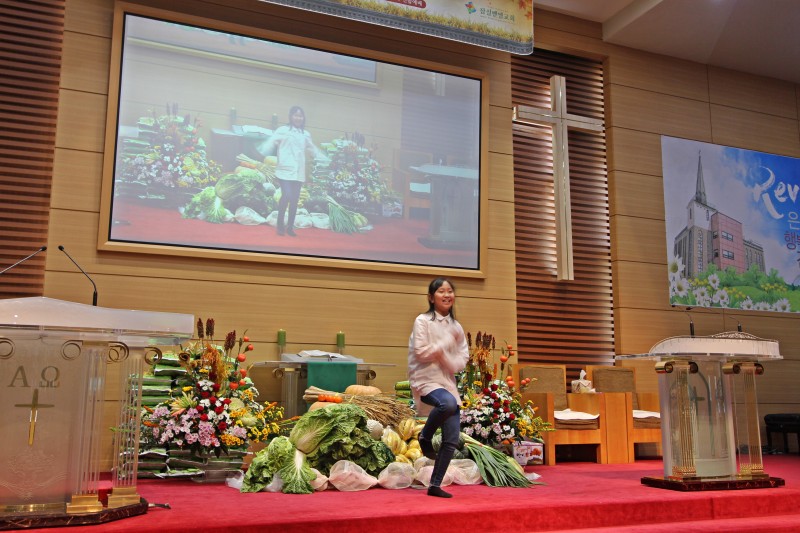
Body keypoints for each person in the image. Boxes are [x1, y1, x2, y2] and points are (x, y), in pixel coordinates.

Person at [407, 277, 469, 498]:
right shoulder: (422, 321)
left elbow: (462, 360)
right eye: (441, 291)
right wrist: (444, 349)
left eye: (450, 291)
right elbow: (421, 353)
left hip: (447, 383)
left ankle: (434, 485)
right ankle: (425, 436)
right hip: (425, 379)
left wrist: (445, 359)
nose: (447, 295)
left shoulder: (456, 326)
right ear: (431, 298)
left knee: (451, 438)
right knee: (448, 403)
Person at [259, 106, 326, 236]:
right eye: (295, 115)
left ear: (303, 118)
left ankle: (290, 227)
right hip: (284, 170)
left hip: (298, 171)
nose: (298, 118)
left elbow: (312, 149)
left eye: (300, 116)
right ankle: (280, 225)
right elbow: (271, 142)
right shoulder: (283, 130)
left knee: (294, 200)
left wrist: (324, 159)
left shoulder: (305, 134)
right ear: (291, 116)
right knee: (287, 195)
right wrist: (261, 150)